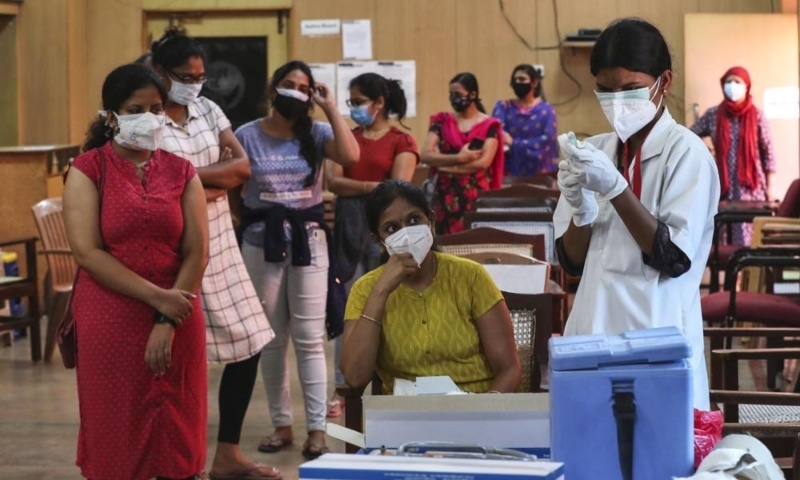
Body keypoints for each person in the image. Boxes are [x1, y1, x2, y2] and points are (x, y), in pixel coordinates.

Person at [554, 18, 719, 410]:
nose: (617, 102)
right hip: (593, 328)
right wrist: (580, 206)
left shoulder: (687, 154)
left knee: (655, 459)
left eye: (630, 90)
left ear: (665, 81)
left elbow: (673, 257)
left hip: (658, 332)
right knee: (592, 457)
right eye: (605, 91)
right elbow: (571, 262)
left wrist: (616, 189)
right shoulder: (594, 150)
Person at [63, 63, 209, 480]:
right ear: (110, 116)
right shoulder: (88, 169)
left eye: (156, 107)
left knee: (179, 432)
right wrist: (156, 297)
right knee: (116, 430)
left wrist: (167, 315)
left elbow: (197, 252)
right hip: (111, 316)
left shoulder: (182, 171)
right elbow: (88, 253)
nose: (149, 116)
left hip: (179, 312)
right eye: (136, 108)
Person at [150, 31, 280, 480]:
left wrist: (185, 180)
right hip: (172, 249)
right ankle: (175, 460)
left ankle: (226, 453)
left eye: (200, 76)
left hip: (220, 243)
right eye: (185, 77)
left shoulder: (207, 109)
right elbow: (150, 186)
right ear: (161, 73)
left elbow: (242, 167)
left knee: (250, 343)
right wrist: (208, 180)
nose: (194, 85)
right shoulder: (145, 115)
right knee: (176, 360)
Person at [236, 60, 359, 459]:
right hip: (260, 243)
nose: (295, 92)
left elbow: (351, 154)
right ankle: (281, 424)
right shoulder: (247, 135)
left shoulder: (317, 131)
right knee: (271, 340)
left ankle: (318, 430)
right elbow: (233, 190)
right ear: (273, 89)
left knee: (309, 341)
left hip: (309, 243)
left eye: (303, 87)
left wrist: (329, 107)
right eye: (288, 84)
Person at [340, 179, 521, 394]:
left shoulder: (470, 277)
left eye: (414, 220)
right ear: (379, 241)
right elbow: (354, 377)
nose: (406, 234)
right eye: (392, 228)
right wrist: (381, 290)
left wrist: (482, 415)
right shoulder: (366, 289)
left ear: (431, 223)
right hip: (405, 417)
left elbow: (509, 368)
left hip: (475, 410)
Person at [324, 72, 419, 416]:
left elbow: (399, 187)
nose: (354, 109)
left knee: (387, 303)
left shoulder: (401, 140)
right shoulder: (344, 138)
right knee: (348, 304)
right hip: (347, 231)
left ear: (379, 103)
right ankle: (344, 385)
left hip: (387, 231)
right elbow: (333, 180)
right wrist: (372, 187)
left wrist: (359, 186)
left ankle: (387, 380)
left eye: (359, 101)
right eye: (350, 102)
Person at [690, 66, 777, 246]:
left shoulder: (757, 115)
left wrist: (771, 187)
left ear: (747, 86)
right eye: (728, 82)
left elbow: (768, 151)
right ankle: (733, 273)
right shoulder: (714, 115)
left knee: (750, 235)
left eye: (737, 82)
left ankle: (748, 273)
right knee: (725, 234)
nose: (732, 86)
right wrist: (706, 156)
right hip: (724, 185)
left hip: (751, 189)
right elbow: (690, 135)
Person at [421, 72, 505, 235]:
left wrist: (446, 167)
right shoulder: (442, 121)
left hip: (476, 197)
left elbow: (483, 163)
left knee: (474, 242)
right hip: (443, 197)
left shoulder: (489, 125)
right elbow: (425, 155)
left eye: (458, 94)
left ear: (473, 95)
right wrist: (460, 158)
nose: (453, 99)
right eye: (451, 95)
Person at [491, 64, 559, 178]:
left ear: (535, 83)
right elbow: (497, 134)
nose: (518, 82)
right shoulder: (503, 107)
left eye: (522, 79)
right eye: (515, 80)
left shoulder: (547, 110)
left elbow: (547, 140)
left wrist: (514, 143)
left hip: (541, 175)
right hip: (509, 174)